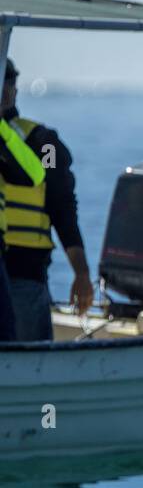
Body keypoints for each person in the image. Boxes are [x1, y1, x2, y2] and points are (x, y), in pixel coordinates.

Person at [0, 58, 93, 341]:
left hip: (23, 275)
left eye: (10, 80)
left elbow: (63, 208)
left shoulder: (45, 143)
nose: (5, 87)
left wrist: (81, 274)